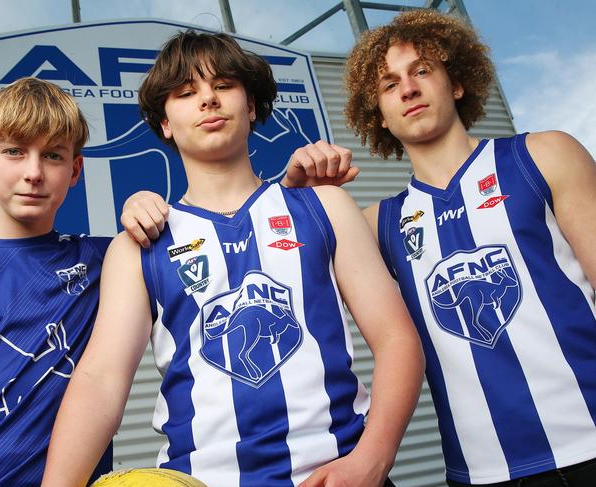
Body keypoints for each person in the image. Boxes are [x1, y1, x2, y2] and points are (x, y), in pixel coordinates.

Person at [42, 31, 424, 487]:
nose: (207, 100)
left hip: (340, 471)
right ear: (164, 122)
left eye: (223, 86)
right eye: (186, 92)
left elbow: (397, 339)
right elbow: (100, 382)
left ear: (253, 107)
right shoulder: (139, 244)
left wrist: (373, 459)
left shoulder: (325, 207)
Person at [278, 9, 596, 487]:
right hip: (482, 472)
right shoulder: (375, 225)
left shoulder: (544, 155)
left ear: (457, 83)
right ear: (379, 116)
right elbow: (274, 261)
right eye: (388, 85)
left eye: (421, 71)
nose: (407, 89)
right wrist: (299, 191)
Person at [0, 77, 166, 486]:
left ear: (75, 170)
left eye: (51, 155)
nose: (33, 173)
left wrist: (141, 202)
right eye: (14, 151)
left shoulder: (107, 259)